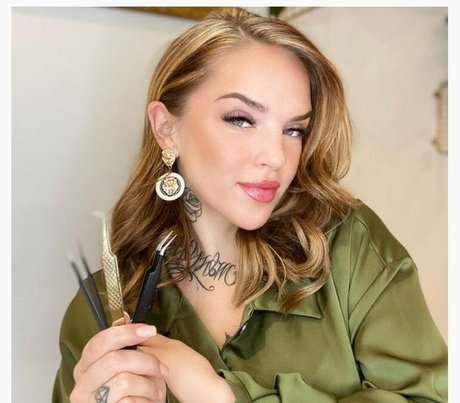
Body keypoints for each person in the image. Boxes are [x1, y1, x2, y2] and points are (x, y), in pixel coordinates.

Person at [52, 7, 447, 403]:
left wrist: (221, 396)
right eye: (241, 119)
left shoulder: (351, 247)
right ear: (167, 128)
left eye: (294, 129)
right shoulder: (102, 307)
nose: (276, 157)